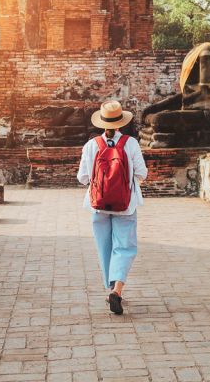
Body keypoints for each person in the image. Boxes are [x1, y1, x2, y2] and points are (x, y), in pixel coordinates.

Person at [77, 100, 148, 315]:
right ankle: (116, 291)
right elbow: (142, 173)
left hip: (97, 205)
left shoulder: (91, 145)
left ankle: (109, 287)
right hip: (125, 204)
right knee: (124, 247)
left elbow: (82, 178)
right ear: (120, 124)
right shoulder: (131, 143)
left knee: (104, 246)